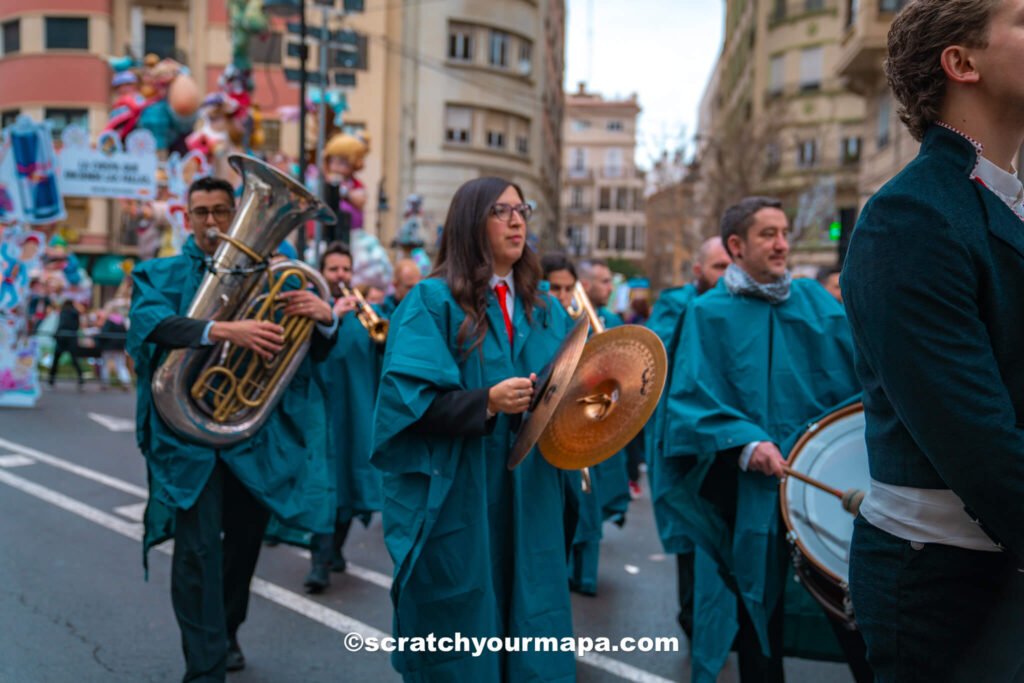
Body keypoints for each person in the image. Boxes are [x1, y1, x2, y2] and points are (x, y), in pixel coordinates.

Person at [842, 1, 1024, 680]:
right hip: (942, 586)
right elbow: (981, 445)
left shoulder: (1004, 201)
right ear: (962, 61)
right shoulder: (910, 214)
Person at [128, 176, 338, 682]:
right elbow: (150, 324)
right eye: (201, 213)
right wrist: (222, 330)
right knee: (197, 553)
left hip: (250, 438)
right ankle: (204, 669)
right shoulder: (159, 272)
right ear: (186, 217)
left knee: (243, 547)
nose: (213, 223)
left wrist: (324, 317)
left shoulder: (277, 275)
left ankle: (226, 631)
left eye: (223, 211)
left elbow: (311, 350)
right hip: (187, 440)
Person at [372, 177, 578, 680]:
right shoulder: (431, 301)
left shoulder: (545, 308)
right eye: (500, 211)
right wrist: (485, 402)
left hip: (531, 492)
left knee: (533, 620)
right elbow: (406, 403)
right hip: (463, 489)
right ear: (470, 223)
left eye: (521, 210)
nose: (516, 220)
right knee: (463, 631)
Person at [665, 197, 869, 682]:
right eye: (767, 234)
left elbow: (861, 377)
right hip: (751, 492)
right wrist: (746, 444)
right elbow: (690, 400)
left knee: (852, 607)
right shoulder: (706, 314)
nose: (782, 244)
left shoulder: (817, 301)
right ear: (736, 246)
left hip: (818, 483)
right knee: (760, 613)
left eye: (784, 233)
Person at [648, 235, 731, 639]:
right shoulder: (677, 304)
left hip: (729, 448)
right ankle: (695, 622)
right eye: (718, 267)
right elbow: (658, 358)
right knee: (692, 537)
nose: (726, 275)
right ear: (698, 271)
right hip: (688, 445)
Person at [302, 242, 384, 593]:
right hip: (321, 410)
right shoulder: (312, 309)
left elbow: (383, 355)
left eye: (346, 270)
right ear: (321, 272)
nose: (341, 276)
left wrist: (382, 339)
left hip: (356, 409)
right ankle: (318, 561)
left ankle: (334, 548)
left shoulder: (367, 314)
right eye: (334, 269)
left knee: (352, 479)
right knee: (324, 484)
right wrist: (330, 313)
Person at [47, 295, 84, 387]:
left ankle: (51, 379)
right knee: (74, 359)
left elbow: (61, 324)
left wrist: (56, 334)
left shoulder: (63, 312)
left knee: (56, 359)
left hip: (62, 338)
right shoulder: (76, 313)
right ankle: (81, 378)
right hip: (72, 338)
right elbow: (77, 326)